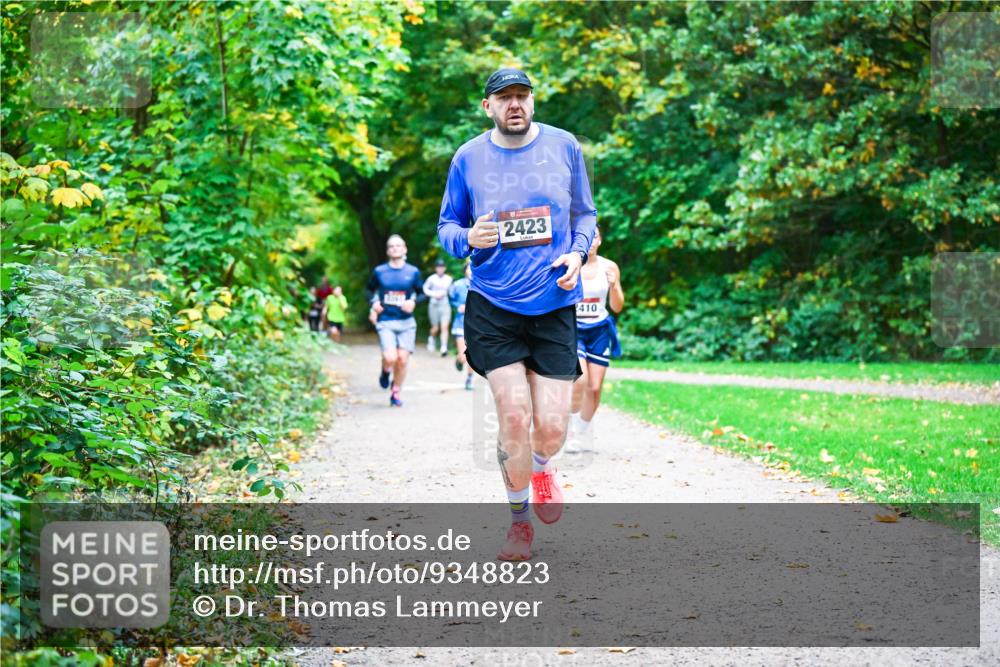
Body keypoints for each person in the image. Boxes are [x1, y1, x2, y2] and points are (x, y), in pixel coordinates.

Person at [438, 67, 597, 560]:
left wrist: (578, 254)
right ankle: (519, 522)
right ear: (487, 106)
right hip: (492, 304)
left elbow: (585, 215)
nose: (515, 104)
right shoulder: (468, 158)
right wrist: (468, 237)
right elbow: (447, 227)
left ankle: (544, 465)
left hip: (554, 303)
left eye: (522, 96)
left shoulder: (564, 146)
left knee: (551, 427)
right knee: (512, 413)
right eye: (504, 97)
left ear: (533, 101)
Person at [567, 227, 624, 452]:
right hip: (575, 329)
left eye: (595, 237)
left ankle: (582, 429)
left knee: (595, 386)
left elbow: (617, 307)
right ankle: (571, 430)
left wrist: (614, 285)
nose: (590, 241)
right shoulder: (570, 264)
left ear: (600, 241)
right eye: (586, 237)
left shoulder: (609, 267)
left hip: (599, 329)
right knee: (579, 380)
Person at [367, 235, 424, 407]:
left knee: (403, 359)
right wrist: (374, 303)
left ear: (404, 249)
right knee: (391, 357)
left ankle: (395, 391)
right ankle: (385, 371)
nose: (395, 248)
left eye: (398, 245)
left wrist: (413, 302)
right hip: (386, 320)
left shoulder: (412, 272)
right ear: (388, 251)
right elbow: (369, 290)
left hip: (406, 322)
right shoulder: (380, 271)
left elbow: (422, 293)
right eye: (391, 246)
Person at [448, 262, 474, 390]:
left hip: (475, 324)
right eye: (469, 268)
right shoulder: (457, 285)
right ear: (465, 271)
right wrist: (457, 306)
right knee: (464, 355)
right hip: (460, 323)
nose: (471, 270)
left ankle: (469, 379)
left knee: (472, 355)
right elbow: (450, 298)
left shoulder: (482, 285)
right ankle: (459, 360)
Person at [423, 259, 454, 356]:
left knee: (444, 326)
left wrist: (449, 293)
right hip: (434, 304)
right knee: (435, 328)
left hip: (445, 304)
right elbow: (425, 289)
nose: (440, 269)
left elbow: (451, 291)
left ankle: (443, 347)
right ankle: (431, 338)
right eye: (438, 267)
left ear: (444, 268)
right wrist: (434, 294)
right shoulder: (431, 278)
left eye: (442, 267)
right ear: (435, 268)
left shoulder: (449, 279)